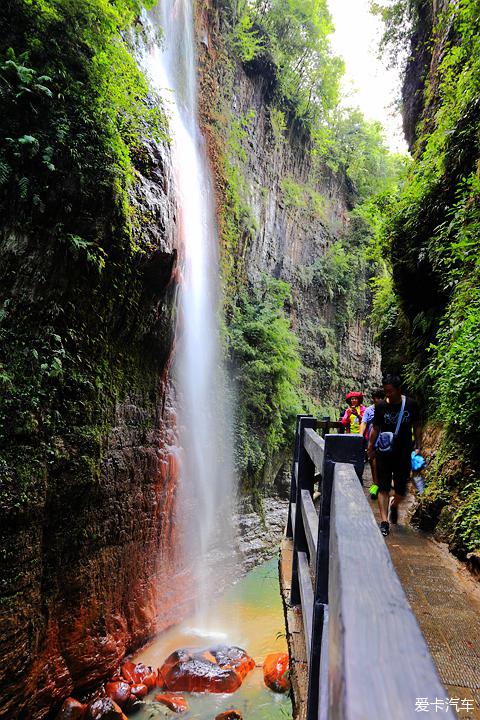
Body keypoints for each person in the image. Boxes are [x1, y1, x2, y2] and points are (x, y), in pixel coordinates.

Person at [367, 375, 421, 537]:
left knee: (400, 489)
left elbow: (417, 425)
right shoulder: (381, 406)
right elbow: (376, 428)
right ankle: (384, 522)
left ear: (399, 389)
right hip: (384, 451)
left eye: (390, 391)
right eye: (385, 391)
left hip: (404, 453)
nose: (387, 395)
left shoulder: (411, 405)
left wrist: (418, 444)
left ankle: (394, 505)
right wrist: (370, 446)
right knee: (383, 487)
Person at [359, 388, 385, 498]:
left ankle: (382, 484)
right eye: (376, 398)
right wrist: (360, 435)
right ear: (373, 399)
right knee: (373, 462)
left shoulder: (388, 409)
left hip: (385, 441)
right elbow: (364, 423)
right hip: (372, 441)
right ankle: (375, 484)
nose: (378, 400)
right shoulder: (369, 410)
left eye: (380, 398)